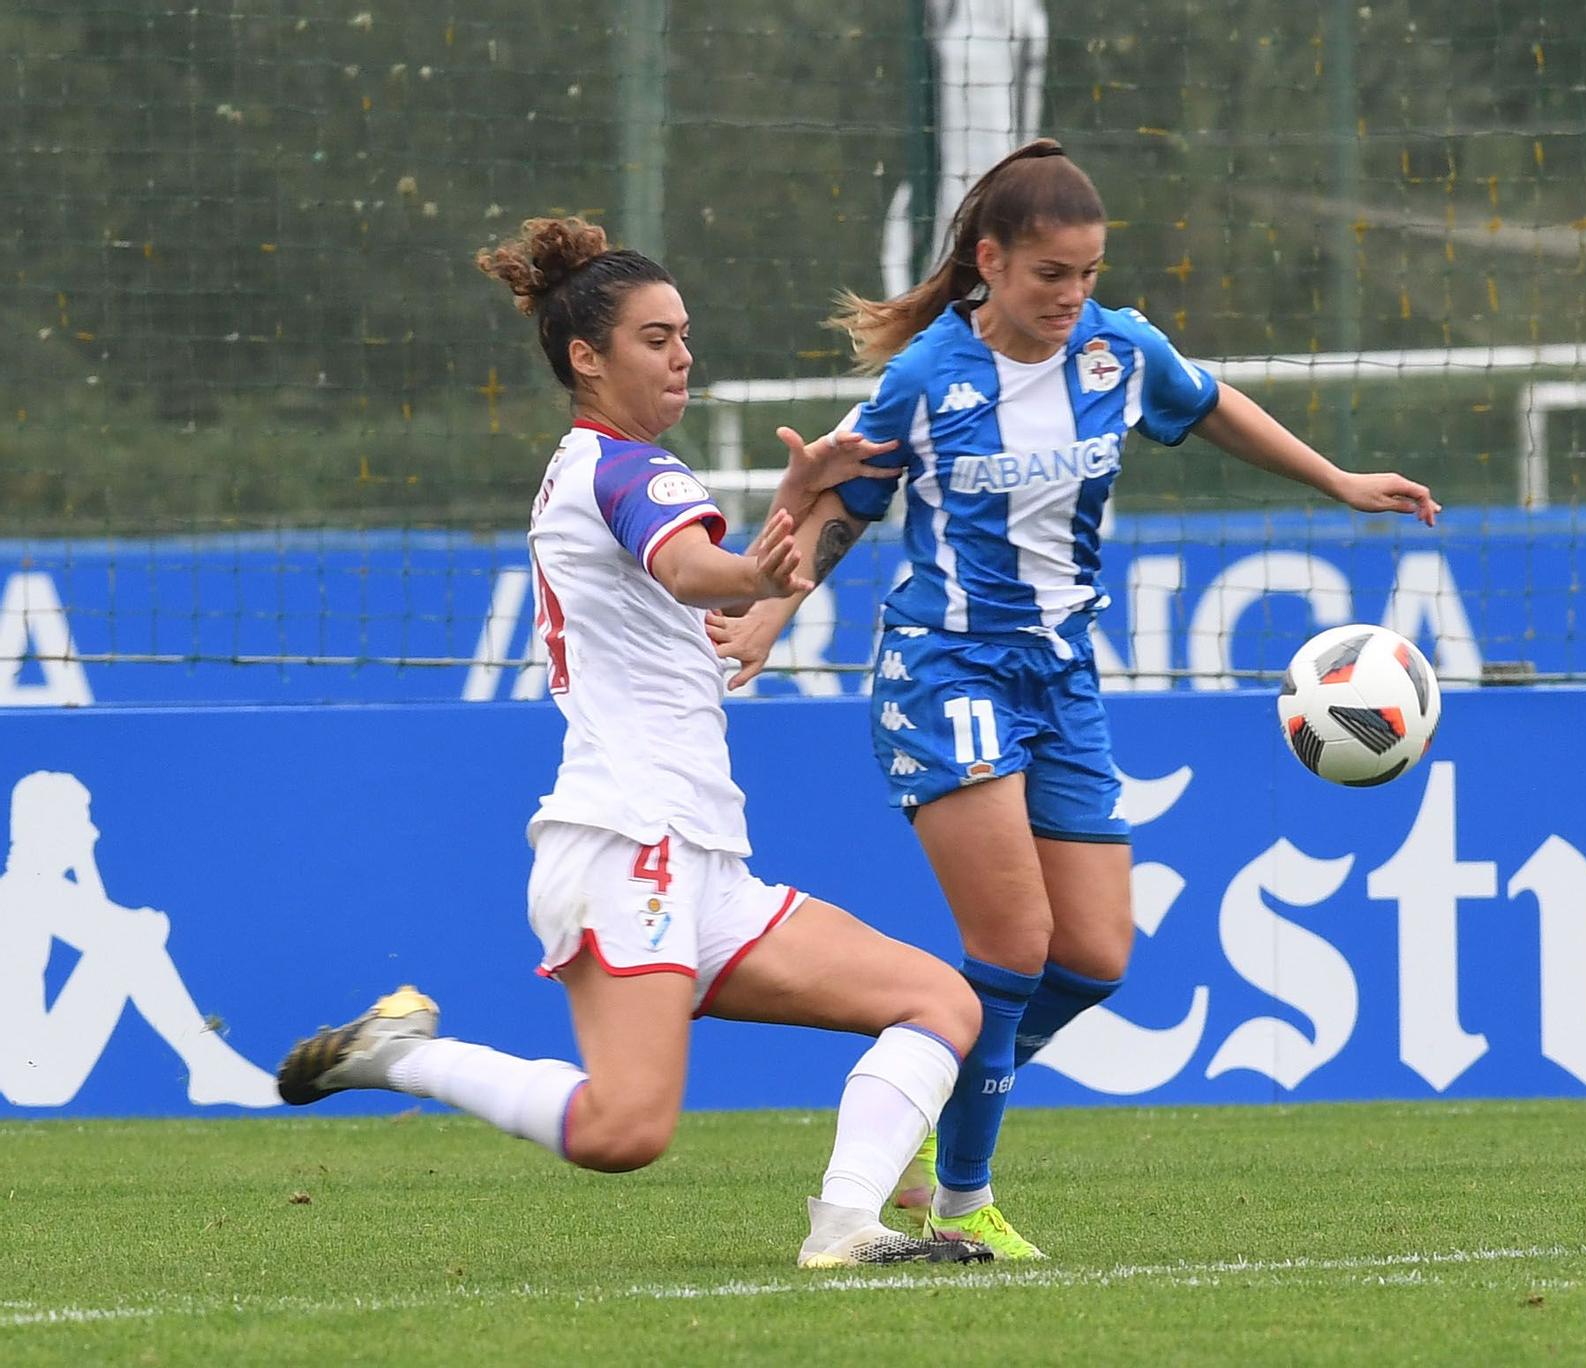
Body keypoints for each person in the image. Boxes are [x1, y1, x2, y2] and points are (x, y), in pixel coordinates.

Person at [708, 139, 1440, 1259]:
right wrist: (766, 610)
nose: (1073, 297)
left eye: (1088, 274)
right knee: (1009, 944)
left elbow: (1207, 405)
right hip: (945, 670)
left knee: (1094, 959)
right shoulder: (929, 379)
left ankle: (928, 1113)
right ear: (990, 264)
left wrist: (1336, 479)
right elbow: (841, 497)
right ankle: (956, 1198)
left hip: (1063, 676)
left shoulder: (1116, 352)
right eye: (1053, 274)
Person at [275, 217, 993, 1270]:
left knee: (937, 1001)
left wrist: (788, 511)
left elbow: (696, 581)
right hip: (628, 844)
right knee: (626, 1132)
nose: (682, 355)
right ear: (585, 357)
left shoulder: (618, 476)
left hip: (697, 858)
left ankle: (845, 1228)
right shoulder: (622, 470)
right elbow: (700, 572)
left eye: (684, 335)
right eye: (655, 338)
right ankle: (402, 1058)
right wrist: (752, 575)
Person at [0, 771, 277, 1109]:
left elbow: (109, 926)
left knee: (128, 942)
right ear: (50, 830)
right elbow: (130, 931)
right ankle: (210, 1065)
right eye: (80, 821)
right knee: (131, 942)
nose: (92, 832)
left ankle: (210, 1064)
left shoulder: (29, 888)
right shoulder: (25, 892)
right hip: (32, 1079)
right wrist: (84, 859)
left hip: (33, 1072)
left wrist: (83, 859)